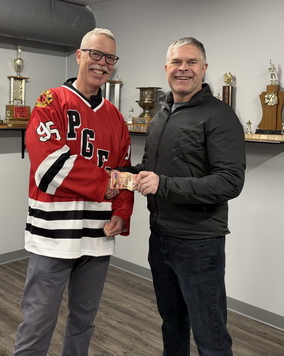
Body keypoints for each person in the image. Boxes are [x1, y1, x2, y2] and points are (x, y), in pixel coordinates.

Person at [13, 28, 134, 356]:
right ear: (79, 56)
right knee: (37, 322)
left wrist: (121, 214)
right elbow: (49, 166)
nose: (102, 63)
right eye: (95, 54)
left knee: (84, 321)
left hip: (97, 237)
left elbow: (124, 173)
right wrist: (106, 183)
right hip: (53, 236)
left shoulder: (117, 119)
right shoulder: (50, 101)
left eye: (110, 57)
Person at [132, 37, 246, 355]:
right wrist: (123, 172)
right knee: (172, 325)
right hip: (161, 239)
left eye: (191, 62)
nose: (183, 68)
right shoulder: (160, 115)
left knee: (209, 335)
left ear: (204, 68)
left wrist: (163, 184)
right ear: (166, 68)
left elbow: (229, 182)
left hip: (199, 245)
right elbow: (152, 169)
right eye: (177, 62)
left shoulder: (220, 116)